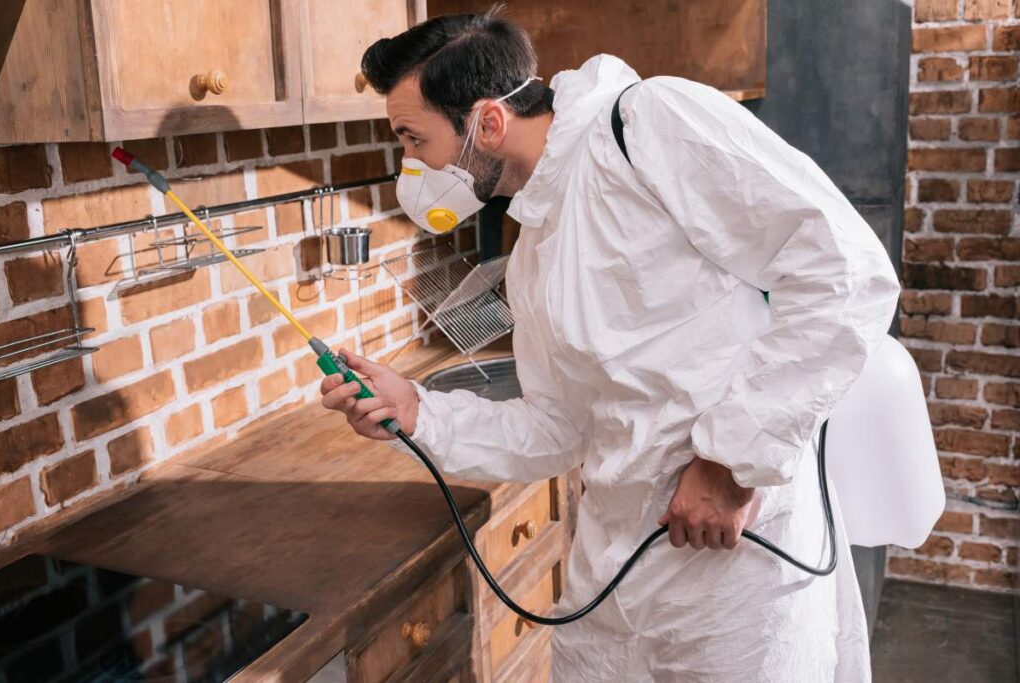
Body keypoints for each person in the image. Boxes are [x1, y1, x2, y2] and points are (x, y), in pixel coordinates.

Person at [320, 7, 901, 682]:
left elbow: (845, 270)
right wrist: (419, 410)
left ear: (487, 123)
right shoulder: (533, 251)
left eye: (413, 138)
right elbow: (558, 426)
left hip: (734, 572)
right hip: (615, 572)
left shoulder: (648, 124)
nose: (411, 163)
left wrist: (730, 462)